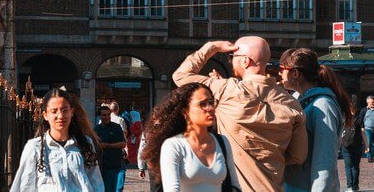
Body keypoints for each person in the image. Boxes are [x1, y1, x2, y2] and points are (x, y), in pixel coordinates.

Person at [172, 37, 307, 191]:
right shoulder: (292, 103)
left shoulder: (226, 90)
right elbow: (298, 156)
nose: (231, 62)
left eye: (232, 57)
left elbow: (181, 76)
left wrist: (213, 47)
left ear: (245, 61)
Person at [280, 48, 353, 192]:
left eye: (282, 69)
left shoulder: (323, 105)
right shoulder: (297, 99)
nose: (279, 73)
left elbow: (325, 160)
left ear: (295, 73)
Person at [142, 82, 240, 191]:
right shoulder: (174, 145)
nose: (210, 108)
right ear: (185, 111)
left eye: (211, 102)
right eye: (203, 104)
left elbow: (234, 185)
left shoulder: (222, 141)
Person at [11, 88, 104, 191]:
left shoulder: (85, 144)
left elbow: (96, 183)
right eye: (54, 111)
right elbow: (25, 187)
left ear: (71, 112)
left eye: (64, 110)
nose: (60, 116)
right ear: (45, 115)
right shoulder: (35, 148)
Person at [95, 105, 126, 191]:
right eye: (104, 115)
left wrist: (107, 145)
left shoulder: (116, 127)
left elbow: (123, 144)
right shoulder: (96, 129)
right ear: (100, 116)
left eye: (108, 115)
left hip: (112, 164)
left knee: (110, 189)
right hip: (100, 165)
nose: (107, 117)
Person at [342, 103, 365, 192]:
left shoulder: (344, 119)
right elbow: (363, 133)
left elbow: (339, 132)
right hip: (357, 145)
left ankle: (349, 187)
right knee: (356, 166)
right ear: (355, 110)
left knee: (348, 166)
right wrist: (367, 145)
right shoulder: (359, 119)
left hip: (346, 145)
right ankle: (355, 187)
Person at [362, 95, 374, 163]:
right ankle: (369, 156)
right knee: (368, 143)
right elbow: (361, 119)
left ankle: (372, 155)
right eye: (372, 102)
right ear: (368, 102)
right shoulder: (364, 110)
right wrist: (362, 127)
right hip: (367, 129)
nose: (373, 104)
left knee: (373, 143)